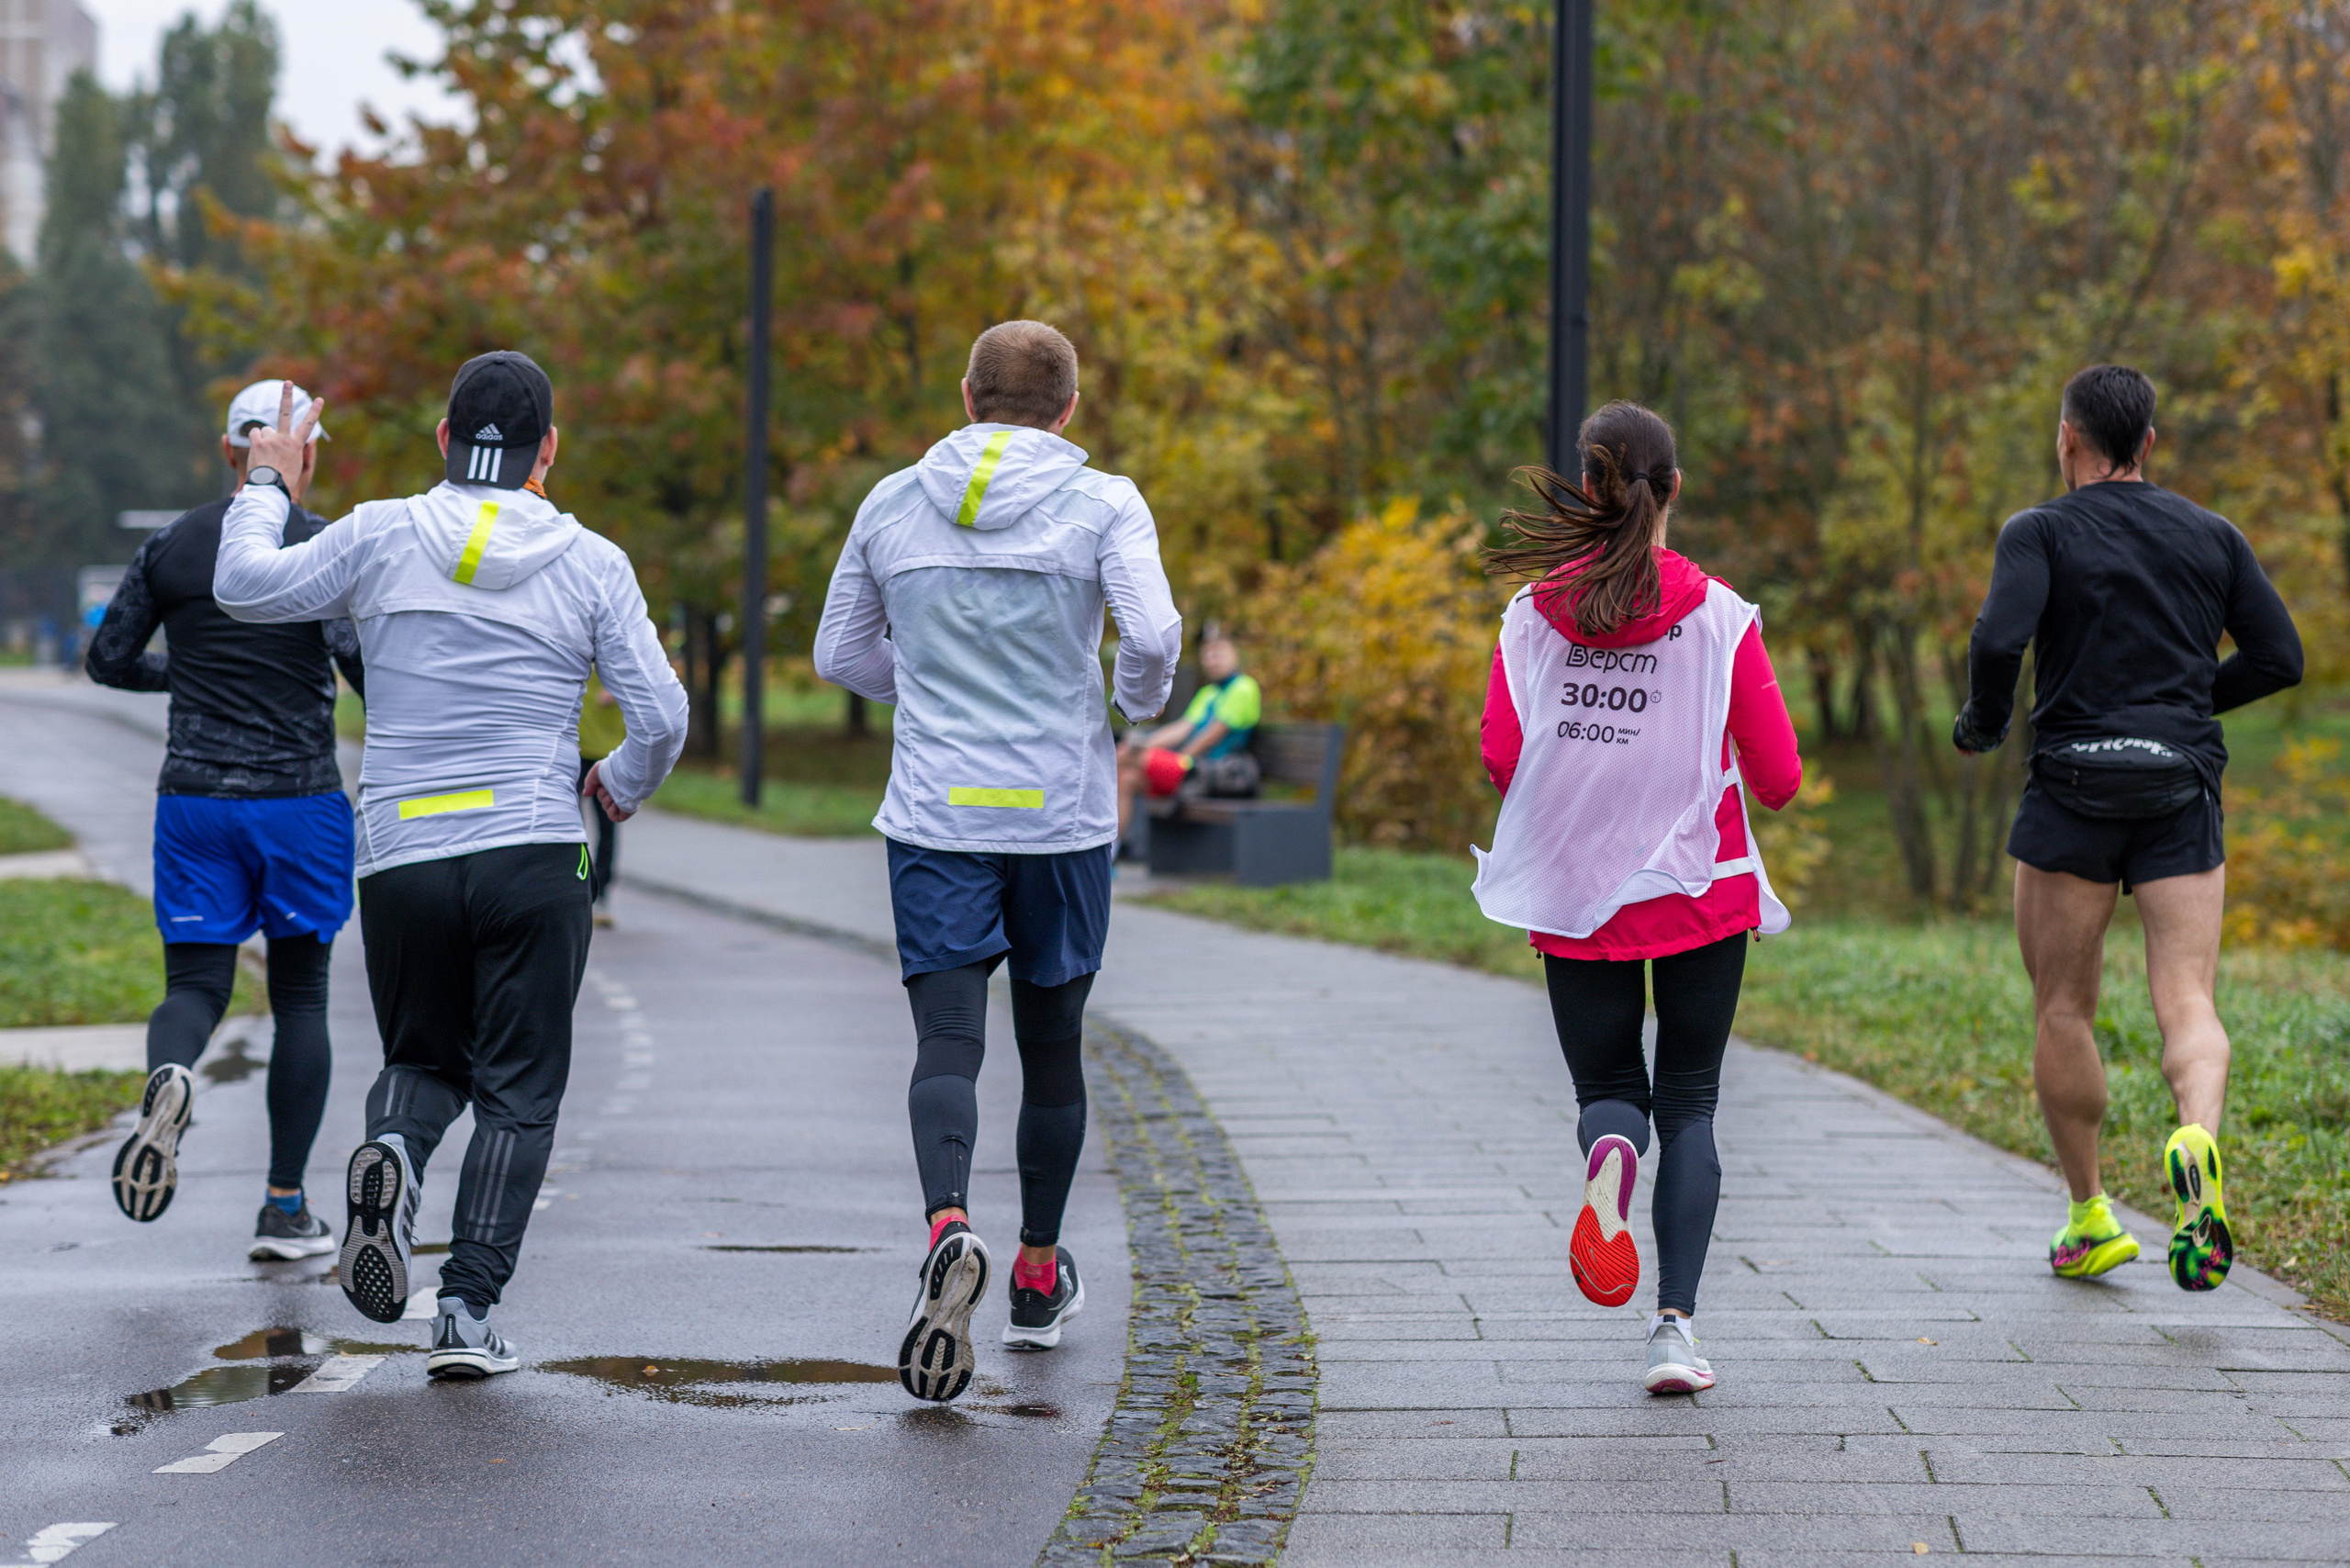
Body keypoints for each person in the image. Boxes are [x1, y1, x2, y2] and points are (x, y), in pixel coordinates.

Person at [215, 353, 688, 1378]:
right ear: (548, 452)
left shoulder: (381, 532)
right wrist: (618, 782)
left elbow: (244, 585)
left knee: (426, 1060)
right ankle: (466, 1309)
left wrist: (267, 484)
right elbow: (665, 713)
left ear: (441, 438)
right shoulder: (592, 561)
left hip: (404, 851)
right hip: (531, 847)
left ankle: (391, 1153)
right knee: (519, 1089)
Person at [814, 319, 1181, 1403]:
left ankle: (947, 1224)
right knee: (1053, 1046)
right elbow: (1152, 640)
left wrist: (922, 685)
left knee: (947, 1040)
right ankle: (1032, 1276)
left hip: (937, 813)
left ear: (967, 394)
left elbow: (839, 651)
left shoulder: (892, 501)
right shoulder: (1103, 501)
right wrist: (1128, 709)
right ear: (1067, 408)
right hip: (1060, 817)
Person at [1472, 400, 1801, 1395]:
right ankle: (1672, 1332)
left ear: (1590, 486)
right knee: (1691, 1100)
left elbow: (1500, 756)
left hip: (1577, 897)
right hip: (1702, 890)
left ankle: (1609, 1156)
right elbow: (1777, 776)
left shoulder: (1533, 614)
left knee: (1608, 1091)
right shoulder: (1718, 616)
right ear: (1672, 491)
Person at [1953, 364, 2301, 1292]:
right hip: (2178, 783)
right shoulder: (2212, 535)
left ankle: (2091, 1217)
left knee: (2062, 1004)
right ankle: (2195, 1139)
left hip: (2071, 784)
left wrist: (1986, 719)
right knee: (2186, 998)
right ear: (2147, 443)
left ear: (2068, 440)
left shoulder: (2038, 530)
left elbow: (1998, 640)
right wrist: (2190, 704)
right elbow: (2279, 655)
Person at [88, 379, 360, 1261]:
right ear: (306, 454)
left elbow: (107, 658)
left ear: (229, 450)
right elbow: (369, 678)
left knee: (196, 988)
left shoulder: (170, 545)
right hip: (300, 803)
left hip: (196, 800)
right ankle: (284, 1208)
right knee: (301, 998)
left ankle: (171, 1075)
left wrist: (189, 680)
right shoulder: (324, 547)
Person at [1115, 630, 1261, 844]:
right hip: (1193, 768)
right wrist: (1145, 743)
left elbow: (1211, 737)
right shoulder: (1209, 693)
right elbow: (1182, 728)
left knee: (1122, 757)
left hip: (1214, 773)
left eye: (1218, 654)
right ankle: (1112, 852)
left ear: (1235, 656)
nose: (1212, 660)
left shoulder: (1244, 688)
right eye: (1207, 655)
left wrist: (1176, 761)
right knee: (1126, 779)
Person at [576, 674, 625, 924]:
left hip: (608, 752)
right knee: (571, 826)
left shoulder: (617, 654)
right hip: (575, 750)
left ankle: (602, 894)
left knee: (608, 825)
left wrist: (619, 692)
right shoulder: (574, 650)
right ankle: (574, 887)